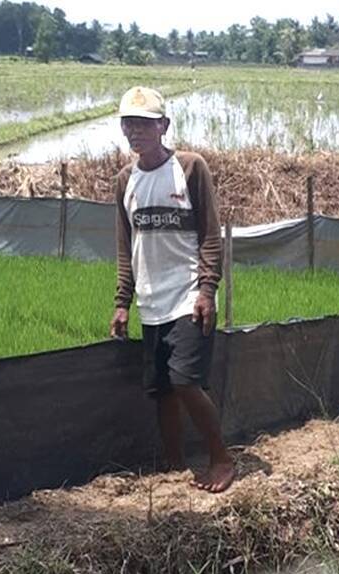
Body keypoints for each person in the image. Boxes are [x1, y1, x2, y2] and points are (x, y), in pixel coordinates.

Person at [109, 86, 235, 493]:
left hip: (187, 295)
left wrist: (207, 290)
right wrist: (123, 302)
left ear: (163, 126)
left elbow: (211, 236)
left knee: (184, 381)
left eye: (145, 123)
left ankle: (222, 459)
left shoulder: (190, 168)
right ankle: (174, 464)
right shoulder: (124, 181)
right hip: (151, 301)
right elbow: (125, 248)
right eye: (130, 123)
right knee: (161, 389)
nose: (136, 131)